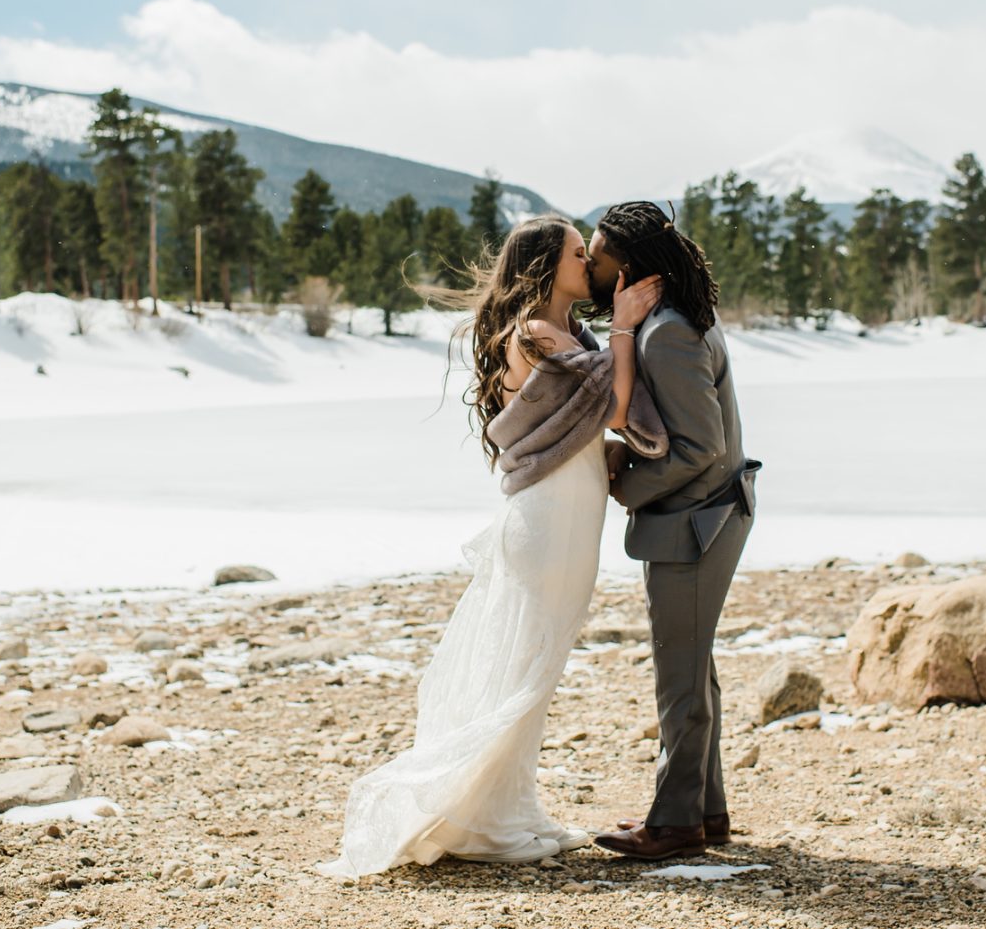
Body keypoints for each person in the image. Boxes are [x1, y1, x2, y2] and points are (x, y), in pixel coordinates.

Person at [317, 215, 667, 878]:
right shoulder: (535, 333)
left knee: (536, 668)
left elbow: (589, 419)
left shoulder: (572, 333)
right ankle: (477, 814)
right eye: (573, 252)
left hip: (572, 516)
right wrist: (625, 322)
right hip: (549, 523)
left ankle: (510, 804)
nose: (584, 262)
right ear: (544, 264)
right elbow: (613, 406)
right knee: (524, 668)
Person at [585, 201, 760, 861]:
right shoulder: (681, 317)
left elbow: (700, 448)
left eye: (596, 254)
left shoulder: (667, 333)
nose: (590, 263)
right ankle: (705, 810)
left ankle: (675, 821)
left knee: (679, 680)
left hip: (697, 521)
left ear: (625, 265)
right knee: (695, 671)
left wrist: (621, 485)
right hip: (709, 514)